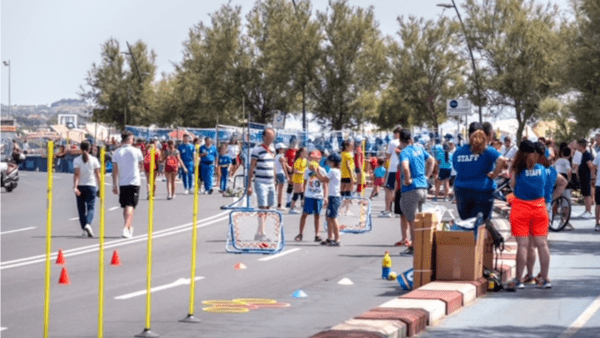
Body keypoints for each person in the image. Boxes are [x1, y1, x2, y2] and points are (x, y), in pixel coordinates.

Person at [506, 140, 550, 290]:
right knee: (542, 244)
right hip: (539, 208)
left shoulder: (517, 170)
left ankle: (519, 279)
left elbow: (513, 185)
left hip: (520, 209)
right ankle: (544, 279)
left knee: (523, 246)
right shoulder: (542, 169)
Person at [522, 142, 567, 286]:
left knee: (529, 244)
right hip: (545, 206)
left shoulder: (529, 169)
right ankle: (544, 275)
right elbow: (563, 182)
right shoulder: (550, 170)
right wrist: (553, 199)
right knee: (542, 244)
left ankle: (530, 274)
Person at [453, 122, 507, 221]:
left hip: (462, 190)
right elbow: (502, 160)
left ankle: (470, 236)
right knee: (481, 223)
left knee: (466, 222)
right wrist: (494, 174)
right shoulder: (487, 150)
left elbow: (456, 167)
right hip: (483, 190)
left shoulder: (459, 151)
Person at [399, 129, 435, 255]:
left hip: (411, 189)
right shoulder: (419, 149)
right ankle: (421, 245)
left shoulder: (404, 152)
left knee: (412, 221)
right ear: (411, 139)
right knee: (419, 220)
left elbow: (404, 166)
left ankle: (415, 247)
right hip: (423, 187)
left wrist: (408, 179)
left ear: (400, 140)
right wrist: (427, 176)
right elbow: (431, 160)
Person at [112, 131, 144, 239]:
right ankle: (126, 228)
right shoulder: (137, 151)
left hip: (123, 183)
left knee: (127, 206)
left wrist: (114, 184)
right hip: (134, 182)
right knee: (129, 206)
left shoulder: (116, 152)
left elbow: (114, 170)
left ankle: (129, 227)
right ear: (130, 139)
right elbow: (142, 166)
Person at [248, 128, 277, 241]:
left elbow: (273, 165)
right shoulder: (257, 150)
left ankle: (259, 231)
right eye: (269, 136)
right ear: (264, 137)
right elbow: (252, 167)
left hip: (271, 182)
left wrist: (275, 180)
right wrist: (249, 185)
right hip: (261, 182)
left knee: (268, 208)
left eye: (273, 136)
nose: (271, 139)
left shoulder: (273, 150)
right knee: (262, 207)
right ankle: (262, 232)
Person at [295, 151, 328, 242]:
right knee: (305, 214)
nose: (312, 160)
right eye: (311, 158)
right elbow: (304, 183)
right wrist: (303, 195)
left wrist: (325, 197)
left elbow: (325, 184)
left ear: (319, 159)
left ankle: (317, 235)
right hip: (309, 194)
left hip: (318, 195)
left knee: (317, 215)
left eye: (315, 158)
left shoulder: (322, 170)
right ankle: (300, 233)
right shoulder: (307, 170)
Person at [313, 153, 343, 246]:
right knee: (328, 217)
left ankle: (337, 239)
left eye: (330, 162)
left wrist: (316, 171)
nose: (329, 163)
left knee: (333, 218)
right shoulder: (336, 171)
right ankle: (330, 238)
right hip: (333, 196)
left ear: (333, 162)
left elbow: (323, 180)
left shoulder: (333, 171)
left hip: (334, 196)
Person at [73, 141, 100, 238]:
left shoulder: (76, 160)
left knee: (81, 209)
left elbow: (76, 175)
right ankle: (88, 224)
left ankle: (84, 228)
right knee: (91, 207)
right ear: (90, 149)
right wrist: (100, 187)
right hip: (91, 186)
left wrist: (75, 187)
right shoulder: (94, 160)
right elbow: (98, 175)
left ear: (80, 149)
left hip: (80, 186)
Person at [381, 127, 402, 218]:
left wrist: (385, 165)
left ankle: (388, 210)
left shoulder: (393, 142)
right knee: (400, 190)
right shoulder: (407, 143)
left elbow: (387, 156)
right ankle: (399, 211)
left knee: (388, 189)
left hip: (393, 168)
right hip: (402, 168)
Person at [573, 138, 595, 219]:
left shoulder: (586, 154)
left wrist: (592, 176)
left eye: (578, 145)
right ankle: (586, 210)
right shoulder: (582, 154)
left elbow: (591, 166)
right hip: (583, 177)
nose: (577, 146)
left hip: (587, 177)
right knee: (585, 194)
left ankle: (589, 211)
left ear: (582, 146)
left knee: (587, 194)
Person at [554, 147, 574, 230]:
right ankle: (564, 221)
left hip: (556, 180)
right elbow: (569, 171)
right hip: (564, 181)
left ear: (562, 154)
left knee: (557, 199)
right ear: (569, 155)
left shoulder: (557, 161)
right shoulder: (566, 161)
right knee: (566, 203)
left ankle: (559, 218)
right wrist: (570, 179)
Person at [289, 147, 308, 214]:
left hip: (302, 178)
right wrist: (303, 172)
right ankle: (291, 208)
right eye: (304, 152)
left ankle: (303, 206)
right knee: (296, 193)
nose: (306, 153)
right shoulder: (298, 160)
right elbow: (295, 171)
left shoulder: (305, 160)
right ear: (301, 153)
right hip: (297, 179)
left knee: (302, 192)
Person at [274, 143, 290, 211]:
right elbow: (283, 166)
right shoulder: (281, 157)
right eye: (283, 148)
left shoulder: (276, 156)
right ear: (279, 149)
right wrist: (287, 176)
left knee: (277, 189)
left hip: (277, 173)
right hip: (281, 173)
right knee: (281, 190)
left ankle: (278, 204)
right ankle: (280, 205)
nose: (284, 150)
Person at [284, 142, 299, 207]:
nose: (293, 145)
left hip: (296, 169)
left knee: (295, 186)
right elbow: (285, 161)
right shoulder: (288, 152)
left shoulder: (296, 151)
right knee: (291, 185)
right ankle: (288, 201)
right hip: (291, 170)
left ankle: (292, 201)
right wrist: (288, 167)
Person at [593, 150, 600, 231]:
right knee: (598, 204)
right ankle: (597, 223)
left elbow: (593, 166)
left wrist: (593, 176)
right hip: (599, 183)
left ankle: (597, 223)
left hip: (599, 183)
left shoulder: (598, 154)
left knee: (598, 204)